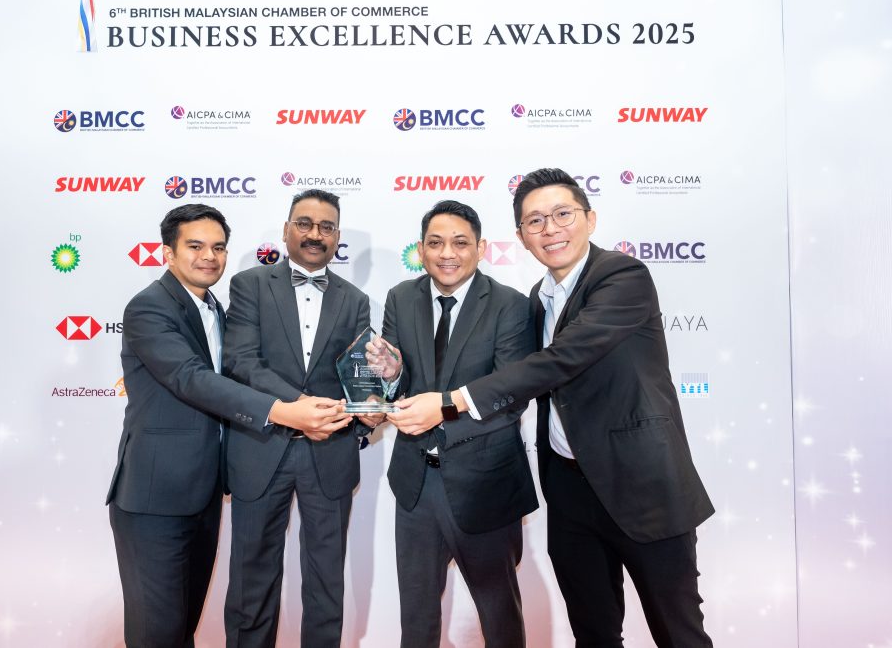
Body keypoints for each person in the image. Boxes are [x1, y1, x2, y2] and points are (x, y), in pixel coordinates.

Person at [394, 169, 715, 647]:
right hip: (569, 489)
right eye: (535, 221)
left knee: (678, 632)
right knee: (593, 632)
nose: (550, 229)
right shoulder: (538, 300)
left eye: (562, 214)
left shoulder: (621, 276)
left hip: (641, 483)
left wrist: (450, 401)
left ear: (590, 219)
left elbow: (562, 359)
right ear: (522, 236)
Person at [106, 204, 347, 648]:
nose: (209, 257)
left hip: (204, 492)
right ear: (167, 253)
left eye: (218, 248)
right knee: (156, 633)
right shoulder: (149, 307)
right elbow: (190, 379)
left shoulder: (214, 308)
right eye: (195, 246)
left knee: (182, 627)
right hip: (155, 496)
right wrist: (284, 410)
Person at [367, 200, 538, 647]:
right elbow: (397, 383)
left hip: (486, 483)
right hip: (415, 482)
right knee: (416, 619)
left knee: (499, 616)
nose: (447, 253)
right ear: (421, 249)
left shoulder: (510, 305)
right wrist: (390, 377)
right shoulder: (401, 297)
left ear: (480, 248)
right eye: (436, 243)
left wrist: (440, 413)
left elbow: (512, 396)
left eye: (460, 243)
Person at [222, 189, 376, 648]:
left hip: (329, 451)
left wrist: (372, 403)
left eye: (326, 227)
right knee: (251, 581)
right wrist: (300, 406)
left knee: (327, 583)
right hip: (261, 448)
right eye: (304, 224)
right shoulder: (249, 284)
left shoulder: (356, 299)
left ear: (337, 237)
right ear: (287, 230)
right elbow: (241, 361)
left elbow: (358, 373)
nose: (315, 234)